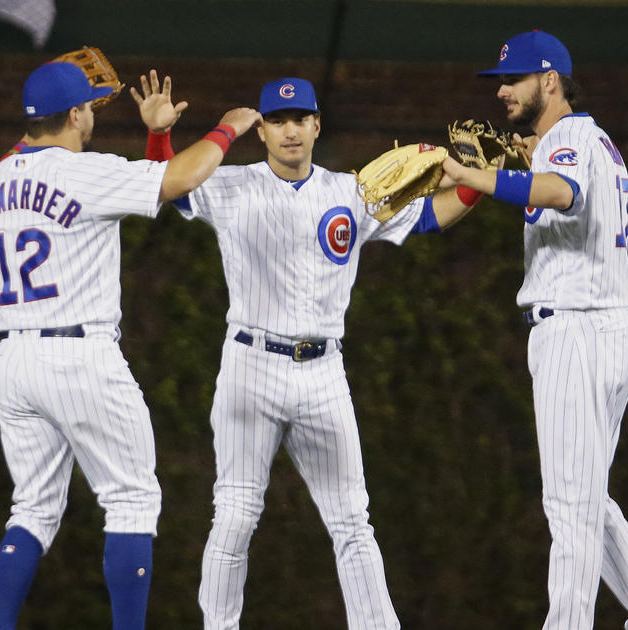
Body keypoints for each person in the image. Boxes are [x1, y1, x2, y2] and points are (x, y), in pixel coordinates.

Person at [135, 74, 486, 629]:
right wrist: (159, 139)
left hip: (324, 372)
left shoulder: (353, 191)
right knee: (235, 515)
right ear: (262, 132)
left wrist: (475, 181)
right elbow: (168, 185)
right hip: (251, 363)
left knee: (352, 522)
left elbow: (426, 218)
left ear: (317, 125)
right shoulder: (231, 185)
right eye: (277, 120)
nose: (290, 130)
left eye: (300, 119)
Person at [0, 59, 260, 630]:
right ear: (73, 116)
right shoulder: (86, 172)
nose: (94, 115)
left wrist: (149, 134)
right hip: (80, 356)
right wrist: (226, 128)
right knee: (132, 502)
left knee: (33, 509)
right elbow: (177, 181)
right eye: (91, 108)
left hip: (14, 362)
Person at [439, 30, 628, 630]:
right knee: (587, 498)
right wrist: (520, 160)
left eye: (513, 79)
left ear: (549, 80)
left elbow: (562, 192)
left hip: (576, 330)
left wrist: (472, 177)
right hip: (603, 327)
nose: (502, 91)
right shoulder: (580, 139)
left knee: (570, 505)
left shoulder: (572, 138)